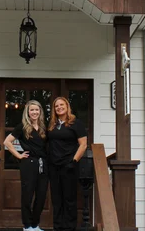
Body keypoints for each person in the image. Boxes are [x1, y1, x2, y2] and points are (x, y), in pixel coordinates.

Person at [4, 100, 49, 231]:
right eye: (32, 110)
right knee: (27, 195)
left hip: (43, 164)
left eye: (37, 110)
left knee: (41, 195)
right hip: (29, 164)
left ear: (40, 111)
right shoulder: (22, 127)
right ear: (27, 112)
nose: (34, 112)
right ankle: (27, 225)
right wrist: (18, 155)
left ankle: (35, 224)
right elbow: (7, 142)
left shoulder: (43, 127)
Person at [47, 96, 87, 231]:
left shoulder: (76, 123)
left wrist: (73, 161)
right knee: (56, 199)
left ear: (67, 106)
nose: (59, 107)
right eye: (56, 106)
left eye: (61, 105)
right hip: (54, 166)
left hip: (69, 166)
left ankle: (69, 227)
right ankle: (58, 227)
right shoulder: (52, 124)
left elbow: (83, 145)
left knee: (69, 199)